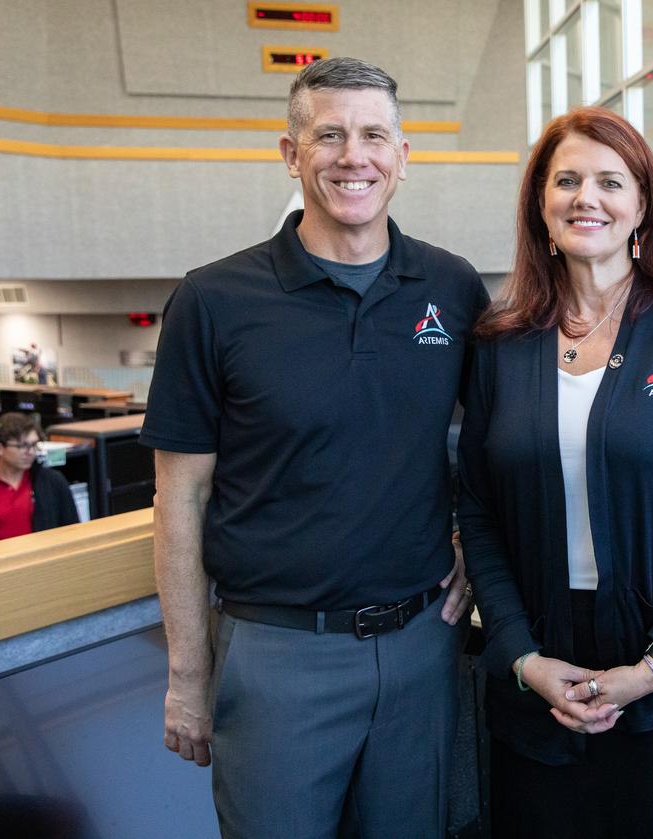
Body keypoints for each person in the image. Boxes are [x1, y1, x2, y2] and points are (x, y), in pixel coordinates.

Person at [140, 57, 489, 839]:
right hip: (274, 655)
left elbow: (510, 436)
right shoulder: (213, 300)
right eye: (327, 135)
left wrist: (478, 545)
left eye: (373, 135)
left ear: (404, 156)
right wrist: (187, 677)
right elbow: (180, 500)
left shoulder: (451, 287)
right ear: (290, 154)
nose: (352, 156)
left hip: (419, 645)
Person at [457, 106, 653, 838]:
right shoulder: (501, 342)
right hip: (541, 670)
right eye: (565, 180)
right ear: (541, 205)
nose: (584, 198)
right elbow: (478, 510)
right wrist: (523, 658)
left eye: (608, 181)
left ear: (640, 207)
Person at [0, 413, 78, 543]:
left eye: (34, 444)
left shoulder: (53, 481)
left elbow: (72, 531)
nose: (31, 452)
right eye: (22, 446)